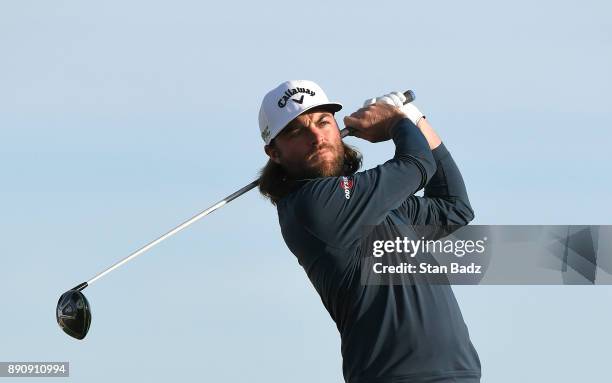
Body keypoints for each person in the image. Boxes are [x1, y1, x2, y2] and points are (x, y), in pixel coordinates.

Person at [257, 80, 481, 383]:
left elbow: (453, 208)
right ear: (275, 153)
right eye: (297, 131)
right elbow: (416, 163)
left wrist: (415, 119)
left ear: (338, 129)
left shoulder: (374, 203)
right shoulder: (310, 205)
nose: (316, 136)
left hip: (458, 375)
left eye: (324, 122)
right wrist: (396, 122)